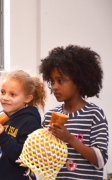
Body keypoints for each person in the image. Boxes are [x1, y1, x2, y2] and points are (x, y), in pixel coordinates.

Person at [39, 45, 109, 179]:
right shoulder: (50, 116)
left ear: (78, 81)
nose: (55, 87)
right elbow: (44, 159)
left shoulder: (94, 114)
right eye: (52, 81)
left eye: (60, 81)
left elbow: (100, 160)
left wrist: (69, 139)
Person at [0, 70, 46, 180]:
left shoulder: (30, 121)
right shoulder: (0, 118)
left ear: (27, 98)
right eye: (3, 92)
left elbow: (22, 158)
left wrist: (2, 135)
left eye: (12, 94)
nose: (5, 97)